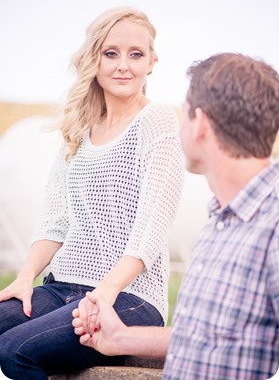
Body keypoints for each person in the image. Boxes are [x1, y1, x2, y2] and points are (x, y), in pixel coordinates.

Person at [0, 6, 185, 379]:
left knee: (14, 350)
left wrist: (105, 292)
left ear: (151, 62)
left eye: (136, 54)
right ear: (94, 60)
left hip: (130, 297)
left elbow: (152, 229)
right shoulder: (79, 131)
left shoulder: (158, 121)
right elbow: (55, 221)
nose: (123, 65)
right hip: (61, 287)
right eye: (110, 53)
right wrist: (25, 278)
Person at [73, 53, 279, 380]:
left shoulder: (274, 222)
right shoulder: (223, 218)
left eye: (183, 113)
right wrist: (120, 338)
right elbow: (203, 336)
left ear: (200, 123)